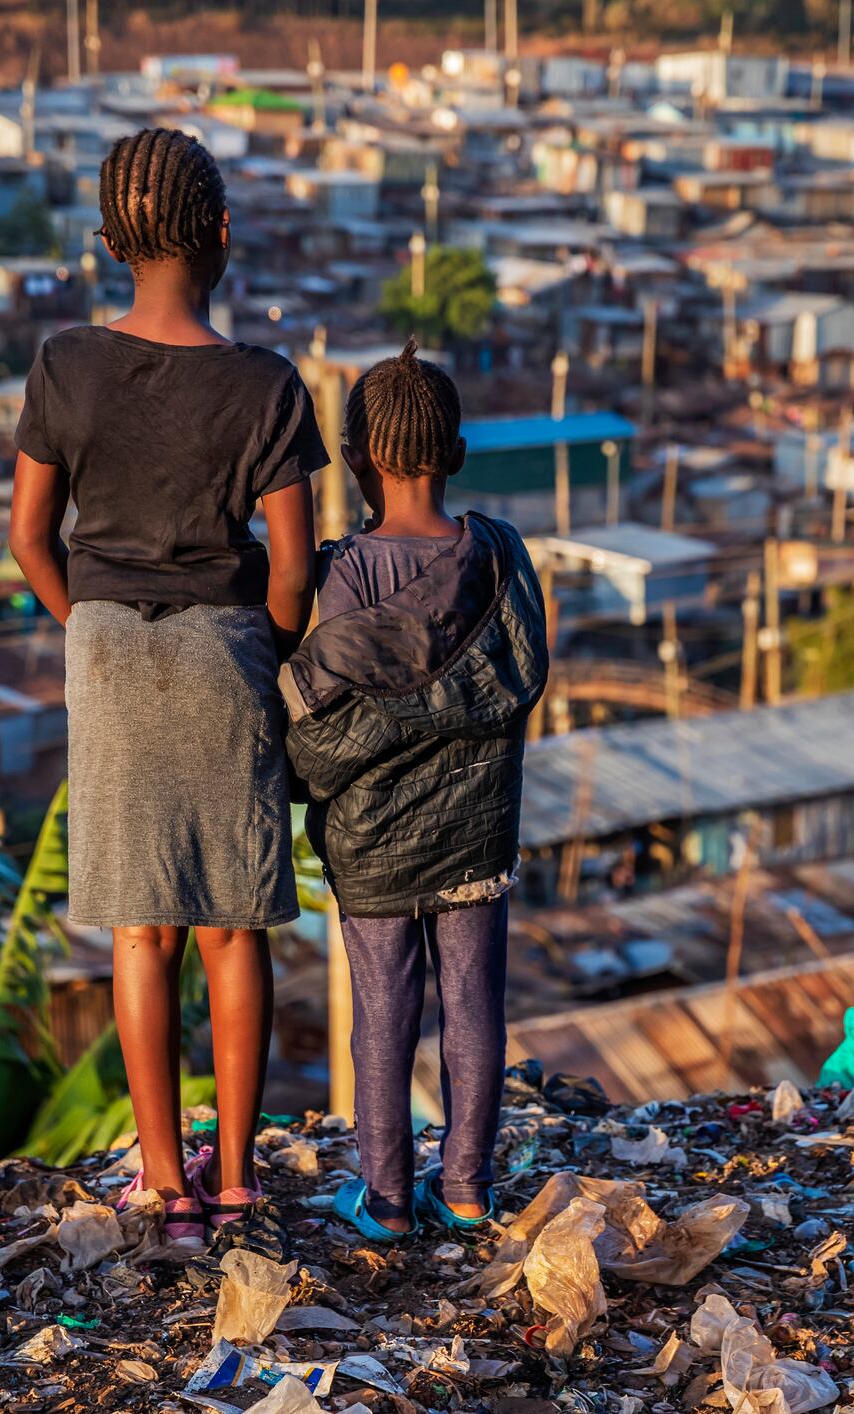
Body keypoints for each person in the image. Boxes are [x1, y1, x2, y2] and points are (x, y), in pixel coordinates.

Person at [8, 129, 326, 1246]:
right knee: (235, 930)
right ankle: (236, 1178)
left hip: (106, 653)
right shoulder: (265, 386)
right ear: (222, 238)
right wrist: (268, 650)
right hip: (227, 650)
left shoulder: (65, 364)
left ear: (109, 245)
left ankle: (163, 1183)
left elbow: (30, 538)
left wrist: (91, 629)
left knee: (141, 933)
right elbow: (292, 566)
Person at [281, 342, 548, 1239]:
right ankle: (467, 1186)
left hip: (371, 836)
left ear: (357, 458)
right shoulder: (501, 556)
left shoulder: (348, 570)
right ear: (458, 453)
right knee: (473, 1003)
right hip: (477, 826)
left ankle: (387, 1198)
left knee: (381, 1014)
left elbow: (338, 705)